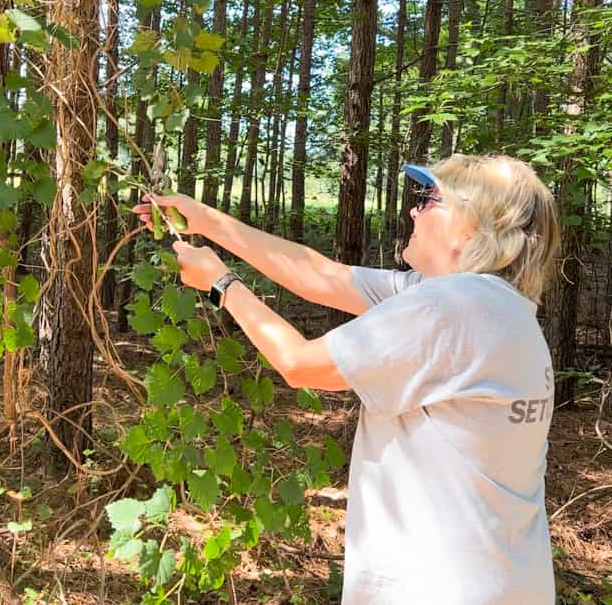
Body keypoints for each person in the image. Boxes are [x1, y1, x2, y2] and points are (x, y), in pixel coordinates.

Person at [133, 153, 560, 605]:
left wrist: (220, 283)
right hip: (507, 581)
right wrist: (209, 221)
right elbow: (322, 277)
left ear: (473, 225)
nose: (414, 210)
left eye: (430, 199)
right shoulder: (499, 308)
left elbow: (298, 363)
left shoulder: (449, 307)